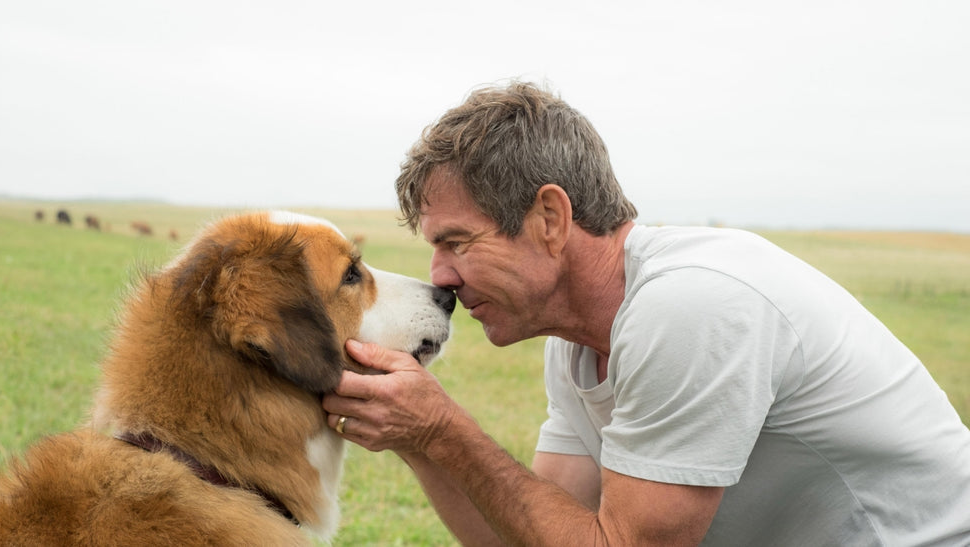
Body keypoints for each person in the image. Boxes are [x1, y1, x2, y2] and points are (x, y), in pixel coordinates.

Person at [322, 81, 970, 546]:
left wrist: (443, 431)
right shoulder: (577, 343)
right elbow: (526, 535)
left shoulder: (689, 305)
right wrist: (419, 439)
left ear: (550, 218)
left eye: (457, 242)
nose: (440, 276)